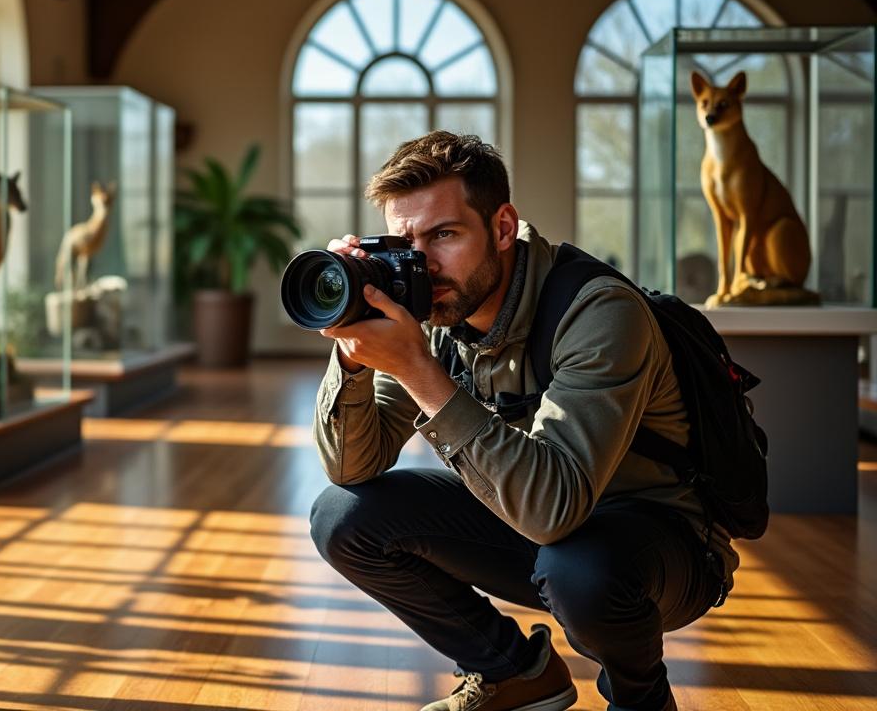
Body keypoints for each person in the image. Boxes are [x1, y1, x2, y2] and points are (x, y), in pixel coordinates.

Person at [307, 131, 735, 711]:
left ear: (503, 227)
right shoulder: (436, 308)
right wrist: (353, 355)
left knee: (580, 569)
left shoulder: (597, 311)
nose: (422, 262)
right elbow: (351, 467)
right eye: (404, 243)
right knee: (344, 516)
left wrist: (417, 370)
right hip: (542, 522)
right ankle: (515, 673)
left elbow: (554, 509)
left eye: (444, 235)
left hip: (662, 547)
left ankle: (643, 701)